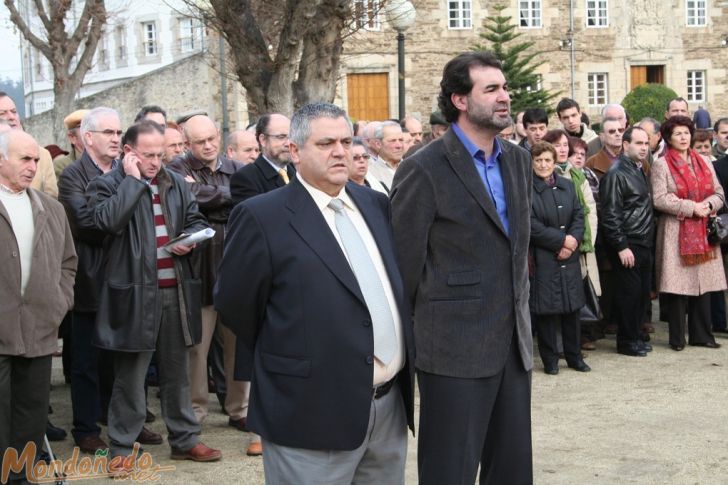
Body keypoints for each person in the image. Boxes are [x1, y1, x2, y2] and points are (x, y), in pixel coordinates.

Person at [214, 102, 415, 484]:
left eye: (344, 141)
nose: (340, 152)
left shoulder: (376, 205)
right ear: (294, 151)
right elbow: (236, 305)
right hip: (309, 410)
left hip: (388, 409)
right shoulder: (262, 217)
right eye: (325, 143)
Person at [391, 51, 533, 484]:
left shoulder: (518, 159)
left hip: (514, 345)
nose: (504, 97)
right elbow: (404, 268)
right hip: (452, 350)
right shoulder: (423, 167)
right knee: (448, 473)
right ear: (459, 99)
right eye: (491, 89)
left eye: (505, 87)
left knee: (511, 471)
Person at [86, 120, 221, 466]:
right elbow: (106, 223)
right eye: (147, 155)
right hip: (132, 296)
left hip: (174, 290)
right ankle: (121, 448)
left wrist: (189, 242)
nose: (155, 162)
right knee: (130, 377)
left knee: (177, 373)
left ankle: (185, 439)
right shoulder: (106, 185)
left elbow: (194, 220)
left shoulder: (174, 183)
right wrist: (132, 182)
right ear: (128, 152)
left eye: (160, 155)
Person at [0, 130, 76, 483]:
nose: (32, 166)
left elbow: (68, 263)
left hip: (39, 329)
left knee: (30, 415)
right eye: (24, 159)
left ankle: (22, 477)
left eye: (35, 160)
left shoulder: (51, 208)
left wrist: (58, 303)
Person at [166, 115, 249, 433]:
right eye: (200, 141)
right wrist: (223, 197)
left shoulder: (237, 169)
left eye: (212, 137)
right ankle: (196, 410)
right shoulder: (176, 170)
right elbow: (187, 203)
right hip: (198, 269)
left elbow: (246, 202)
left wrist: (205, 195)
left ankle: (239, 408)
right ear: (187, 144)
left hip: (235, 268)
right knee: (196, 349)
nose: (209, 145)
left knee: (238, 344)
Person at [651, 116, 726, 351]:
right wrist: (691, 207)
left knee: (703, 284)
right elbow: (660, 198)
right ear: (669, 138)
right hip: (675, 229)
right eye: (678, 134)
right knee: (677, 285)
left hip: (703, 228)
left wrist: (709, 205)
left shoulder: (704, 161)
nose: (683, 138)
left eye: (686, 133)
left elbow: (719, 192)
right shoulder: (661, 164)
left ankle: (701, 335)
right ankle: (677, 338)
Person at [529, 141, 588, 374]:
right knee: (548, 311)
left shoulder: (567, 184)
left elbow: (579, 214)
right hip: (544, 256)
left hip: (569, 256)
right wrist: (561, 241)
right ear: (532, 162)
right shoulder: (527, 189)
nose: (543, 165)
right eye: (539, 160)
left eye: (547, 160)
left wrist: (572, 240)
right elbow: (531, 225)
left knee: (572, 309)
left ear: (555, 163)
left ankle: (575, 357)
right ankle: (550, 360)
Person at [599, 126, 655, 356]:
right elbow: (610, 214)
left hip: (643, 240)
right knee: (629, 295)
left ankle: (635, 336)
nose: (643, 148)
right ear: (625, 145)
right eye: (638, 143)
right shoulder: (616, 173)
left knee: (641, 294)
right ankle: (627, 341)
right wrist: (621, 246)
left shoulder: (638, 168)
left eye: (646, 143)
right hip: (628, 241)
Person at [0, 91, 57, 198]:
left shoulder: (42, 155)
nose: (11, 117)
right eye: (2, 113)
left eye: (14, 111)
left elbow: (52, 200)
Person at [230, 113, 295, 205]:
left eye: (291, 137)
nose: (288, 143)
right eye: (281, 137)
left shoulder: (300, 172)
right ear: (263, 140)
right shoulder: (245, 178)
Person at [53, 109, 90, 177]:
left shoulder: (109, 161)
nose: (92, 131)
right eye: (85, 127)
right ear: (73, 137)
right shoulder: (62, 166)